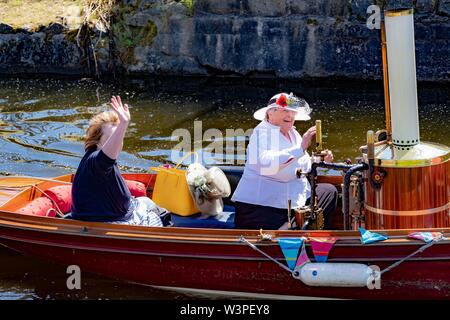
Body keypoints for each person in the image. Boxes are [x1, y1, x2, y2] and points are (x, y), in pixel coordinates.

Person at [231, 92, 338, 230]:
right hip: (262, 208)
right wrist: (300, 148)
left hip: (292, 201)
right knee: (306, 214)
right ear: (270, 113)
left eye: (293, 112)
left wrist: (320, 161)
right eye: (284, 111)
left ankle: (308, 235)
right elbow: (266, 164)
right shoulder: (261, 132)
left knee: (329, 191)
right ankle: (288, 231)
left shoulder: (293, 133)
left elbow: (301, 166)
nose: (290, 115)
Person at [71, 95, 164, 227]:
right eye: (111, 138)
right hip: (110, 222)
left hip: (124, 210)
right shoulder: (95, 162)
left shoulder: (97, 157)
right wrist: (124, 124)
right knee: (160, 220)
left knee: (148, 202)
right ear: (96, 141)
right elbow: (105, 160)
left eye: (119, 137)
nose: (117, 142)